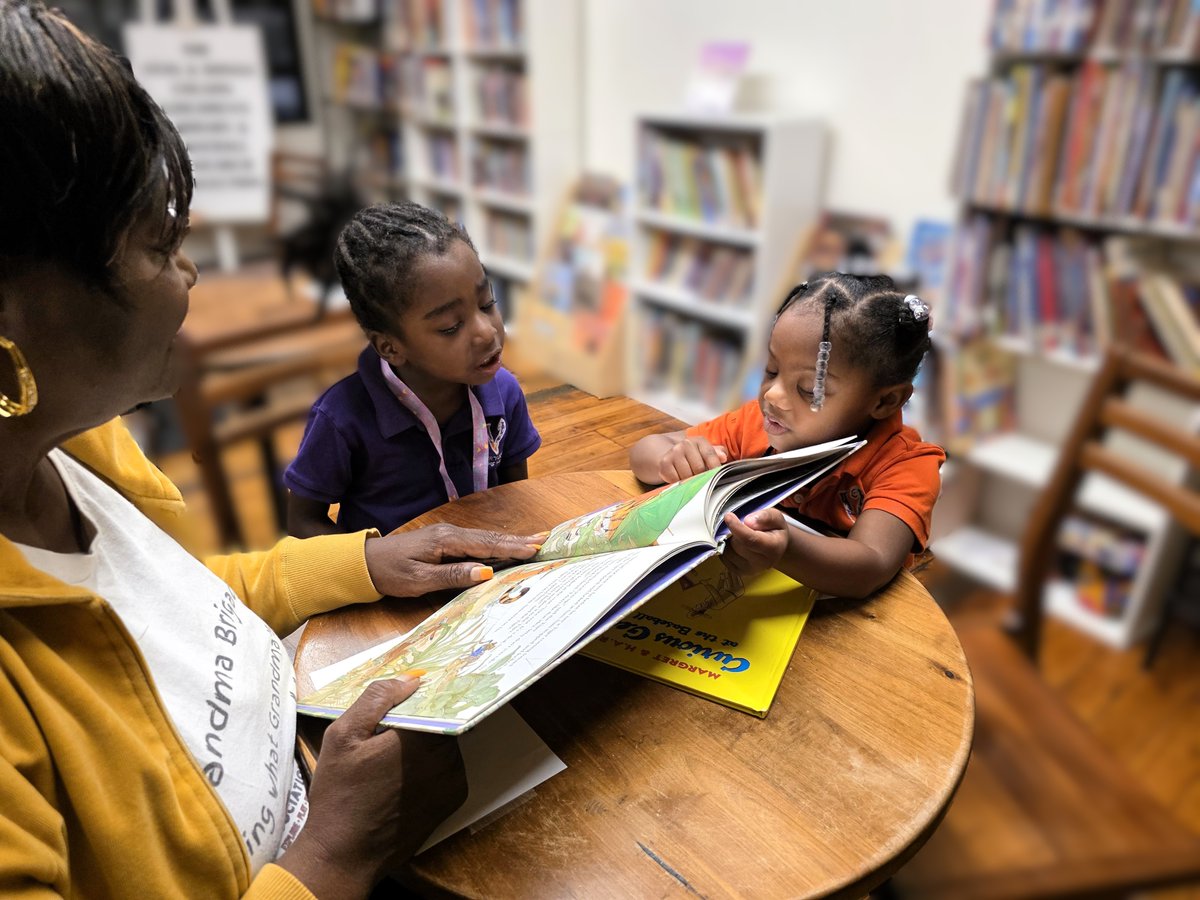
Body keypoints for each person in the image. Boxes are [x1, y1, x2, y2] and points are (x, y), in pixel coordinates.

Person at [0, 2, 542, 896]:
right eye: (159, 243)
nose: (190, 274)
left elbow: (178, 605)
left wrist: (368, 560)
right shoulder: (345, 415)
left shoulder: (79, 453)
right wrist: (330, 860)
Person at [630, 273, 945, 599]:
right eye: (771, 370)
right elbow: (644, 452)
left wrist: (786, 547)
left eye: (808, 389)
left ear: (885, 401)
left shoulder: (907, 465)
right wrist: (670, 459)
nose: (773, 395)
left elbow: (871, 564)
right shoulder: (754, 424)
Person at [284, 201, 541, 538]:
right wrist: (375, 560)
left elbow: (514, 496)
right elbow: (302, 522)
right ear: (390, 348)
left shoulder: (504, 392)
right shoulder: (341, 420)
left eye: (487, 303)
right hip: (396, 571)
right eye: (451, 327)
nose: (487, 331)